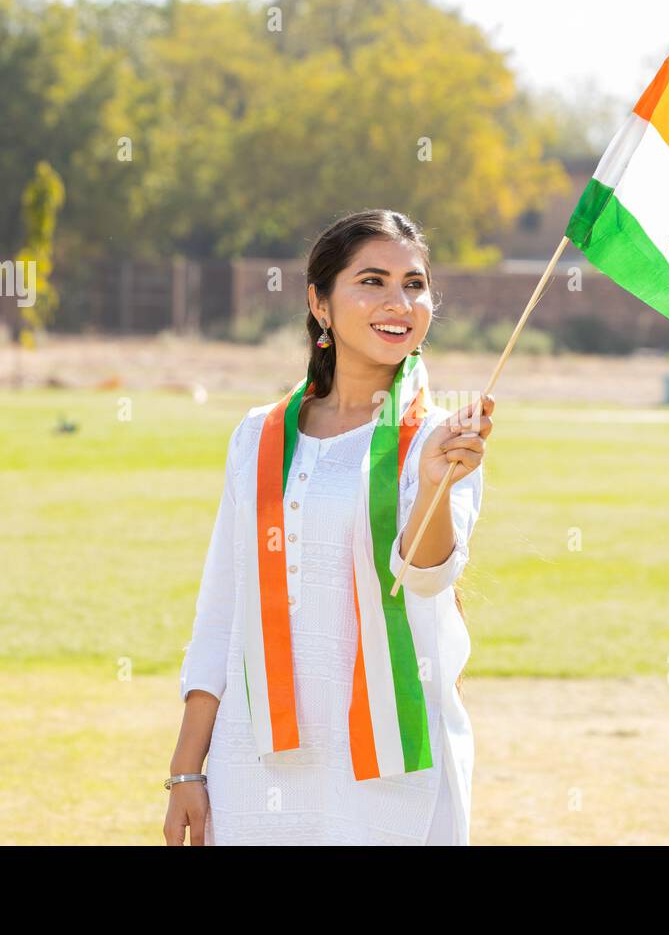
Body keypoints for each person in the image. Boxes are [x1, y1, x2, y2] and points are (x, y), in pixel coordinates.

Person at [164, 208, 494, 845]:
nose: (399, 302)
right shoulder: (259, 436)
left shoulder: (441, 435)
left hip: (390, 763)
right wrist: (186, 772)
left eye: (415, 284)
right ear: (319, 302)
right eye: (372, 281)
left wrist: (433, 483)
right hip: (254, 758)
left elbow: (425, 580)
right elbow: (221, 609)